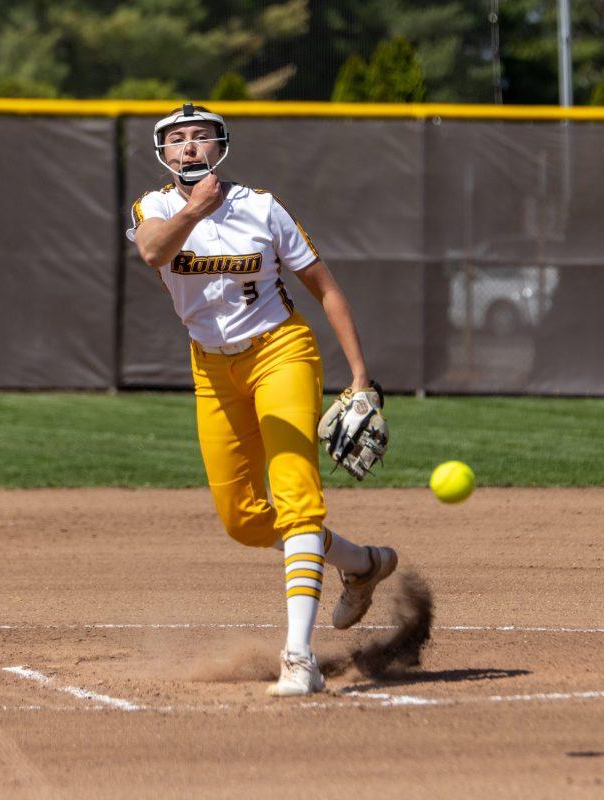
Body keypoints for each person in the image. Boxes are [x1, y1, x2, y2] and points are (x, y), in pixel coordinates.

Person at [126, 104, 398, 697]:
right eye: (177, 140)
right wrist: (195, 210)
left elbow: (325, 290)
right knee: (243, 521)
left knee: (297, 493)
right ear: (163, 153)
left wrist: (359, 379)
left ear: (220, 146)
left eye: (201, 137)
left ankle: (299, 658)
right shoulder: (156, 207)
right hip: (211, 368)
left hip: (281, 352)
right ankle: (361, 563)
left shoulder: (262, 207)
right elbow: (151, 252)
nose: (189, 147)